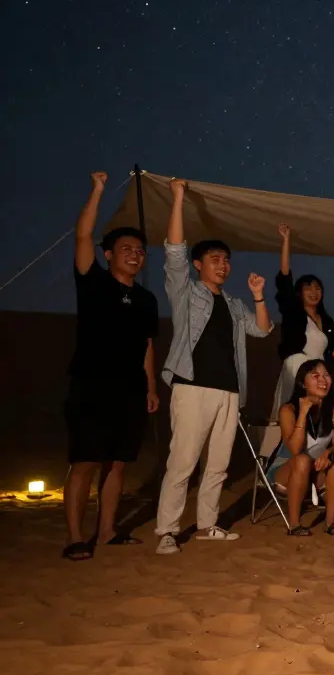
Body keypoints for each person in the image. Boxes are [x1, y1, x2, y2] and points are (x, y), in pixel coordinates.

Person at [155, 178, 273, 555]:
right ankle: (167, 531)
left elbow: (262, 330)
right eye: (215, 260)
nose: (223, 266)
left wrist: (258, 297)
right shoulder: (186, 292)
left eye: (227, 261)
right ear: (198, 264)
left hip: (229, 391)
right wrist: (177, 198)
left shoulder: (236, 304)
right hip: (192, 386)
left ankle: (207, 524)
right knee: (183, 461)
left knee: (218, 464)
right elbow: (173, 250)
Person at [61, 171, 160, 561]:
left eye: (139, 250)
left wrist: (151, 387)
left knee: (118, 463)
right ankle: (73, 536)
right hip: (91, 385)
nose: (134, 255)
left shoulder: (147, 300)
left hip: (131, 389)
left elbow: (147, 345)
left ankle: (106, 532)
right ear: (109, 254)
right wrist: (98, 191)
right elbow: (82, 236)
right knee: (85, 461)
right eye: (125, 249)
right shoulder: (93, 282)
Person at [267, 359, 334, 536]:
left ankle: (330, 522)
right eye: (316, 376)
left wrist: (329, 452)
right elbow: (295, 450)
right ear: (302, 383)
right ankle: (294, 525)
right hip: (286, 470)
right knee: (302, 459)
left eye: (326, 375)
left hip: (316, 469)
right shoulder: (288, 410)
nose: (323, 380)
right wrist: (303, 412)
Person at [272, 223, 334, 415]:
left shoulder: (326, 321)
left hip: (319, 373)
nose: (314, 292)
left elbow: (332, 349)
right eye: (308, 288)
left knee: (319, 415)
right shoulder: (293, 312)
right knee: (294, 413)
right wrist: (286, 241)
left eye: (317, 288)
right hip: (297, 369)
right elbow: (285, 279)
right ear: (299, 293)